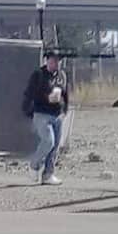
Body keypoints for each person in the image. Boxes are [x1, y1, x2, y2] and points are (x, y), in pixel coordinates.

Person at [23, 48, 71, 185]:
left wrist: (65, 108)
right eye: (53, 60)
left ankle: (48, 174)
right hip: (41, 113)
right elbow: (29, 93)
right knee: (48, 141)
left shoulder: (61, 75)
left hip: (57, 114)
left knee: (55, 146)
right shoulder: (39, 75)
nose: (56, 63)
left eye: (58, 61)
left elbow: (65, 93)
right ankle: (34, 165)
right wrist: (45, 97)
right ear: (47, 61)